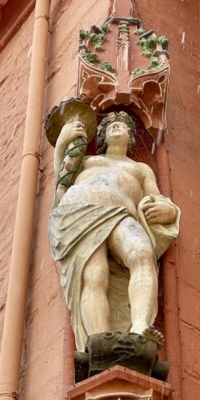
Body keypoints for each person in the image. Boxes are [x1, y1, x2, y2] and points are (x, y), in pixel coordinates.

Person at [49, 110, 180, 352]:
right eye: (109, 126)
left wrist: (168, 211)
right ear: (101, 137)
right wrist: (62, 143)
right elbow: (61, 182)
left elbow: (157, 197)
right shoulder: (87, 160)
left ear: (131, 136)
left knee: (142, 253)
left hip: (121, 212)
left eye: (122, 125)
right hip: (80, 213)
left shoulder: (140, 168)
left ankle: (140, 327)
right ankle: (99, 340)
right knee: (95, 275)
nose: (116, 127)